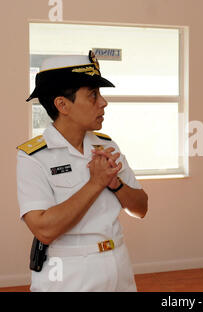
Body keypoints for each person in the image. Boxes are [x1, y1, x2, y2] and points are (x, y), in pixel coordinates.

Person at [17, 51, 148, 291]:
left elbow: (140, 209)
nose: (103, 102)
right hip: (68, 275)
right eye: (93, 95)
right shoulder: (33, 157)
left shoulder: (107, 145)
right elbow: (44, 230)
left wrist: (115, 183)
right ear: (62, 104)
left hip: (118, 266)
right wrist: (95, 183)